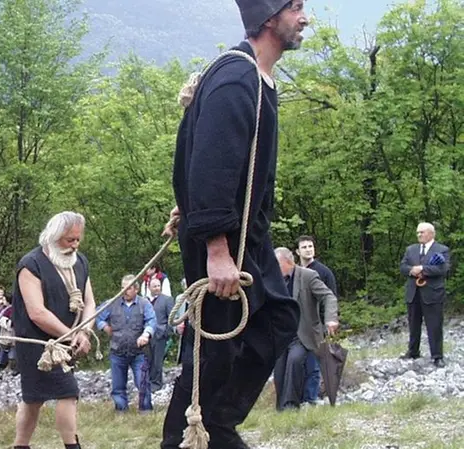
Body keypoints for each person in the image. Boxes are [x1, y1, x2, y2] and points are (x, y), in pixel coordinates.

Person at [162, 1, 307, 447]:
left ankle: (218, 424)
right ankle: (187, 434)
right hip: (226, 240)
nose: (305, 18)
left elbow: (201, 156)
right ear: (269, 16)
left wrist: (189, 207)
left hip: (247, 234)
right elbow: (209, 162)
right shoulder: (235, 77)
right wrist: (216, 248)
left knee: (280, 316)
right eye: (296, 7)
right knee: (213, 348)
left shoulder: (257, 79)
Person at [12, 212, 96, 449]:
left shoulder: (80, 262)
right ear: (53, 236)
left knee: (37, 400)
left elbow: (89, 302)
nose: (75, 245)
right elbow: (37, 312)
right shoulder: (31, 265)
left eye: (78, 240)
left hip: (67, 341)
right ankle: (71, 446)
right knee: (60, 393)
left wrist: (85, 332)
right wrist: (71, 336)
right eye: (70, 240)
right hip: (37, 345)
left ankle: (20, 446)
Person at [272, 248, 338, 410]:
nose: (274, 268)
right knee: (279, 369)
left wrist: (330, 319)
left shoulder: (307, 276)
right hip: (281, 333)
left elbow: (328, 296)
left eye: (277, 264)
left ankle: (291, 405)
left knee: (295, 361)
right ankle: (281, 407)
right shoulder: (273, 279)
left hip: (303, 332)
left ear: (289, 262)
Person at [97, 275, 157, 412]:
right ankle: (121, 410)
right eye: (122, 287)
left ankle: (146, 410)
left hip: (138, 352)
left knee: (142, 383)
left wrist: (146, 334)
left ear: (136, 289)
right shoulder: (112, 303)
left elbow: (152, 320)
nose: (125, 290)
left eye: (128, 287)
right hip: (117, 351)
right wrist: (104, 326)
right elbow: (97, 315)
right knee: (118, 385)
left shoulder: (144, 304)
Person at [399, 222, 450, 368]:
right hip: (413, 292)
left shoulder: (442, 249)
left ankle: (437, 356)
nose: (419, 235)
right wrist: (411, 270)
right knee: (413, 323)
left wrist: (423, 269)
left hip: (432, 293)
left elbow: (443, 269)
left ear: (431, 233)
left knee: (434, 325)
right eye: (418, 232)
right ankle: (413, 351)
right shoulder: (411, 250)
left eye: (422, 232)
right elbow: (403, 267)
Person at [295, 235, 338, 405]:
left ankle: (311, 398)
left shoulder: (323, 271)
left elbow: (330, 296)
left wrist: (328, 320)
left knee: (314, 363)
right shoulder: (295, 272)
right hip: (298, 324)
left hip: (317, 324)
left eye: (310, 246)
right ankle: (300, 396)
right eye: (304, 247)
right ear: (297, 251)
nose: (308, 249)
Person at [147, 278, 176, 392]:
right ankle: (148, 381)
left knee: (157, 361)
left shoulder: (167, 300)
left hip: (160, 334)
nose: (157, 288)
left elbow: (171, 318)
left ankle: (157, 383)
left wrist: (166, 333)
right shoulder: (145, 301)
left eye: (158, 286)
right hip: (147, 335)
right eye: (154, 286)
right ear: (149, 287)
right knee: (148, 359)